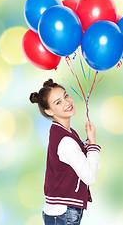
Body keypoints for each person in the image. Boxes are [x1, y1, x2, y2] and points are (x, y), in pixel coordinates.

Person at [29, 79, 101, 225]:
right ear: (49, 111)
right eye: (58, 102)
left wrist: (83, 150)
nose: (67, 102)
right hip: (63, 213)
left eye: (66, 96)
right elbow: (89, 177)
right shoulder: (66, 140)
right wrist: (93, 143)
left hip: (60, 212)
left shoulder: (64, 131)